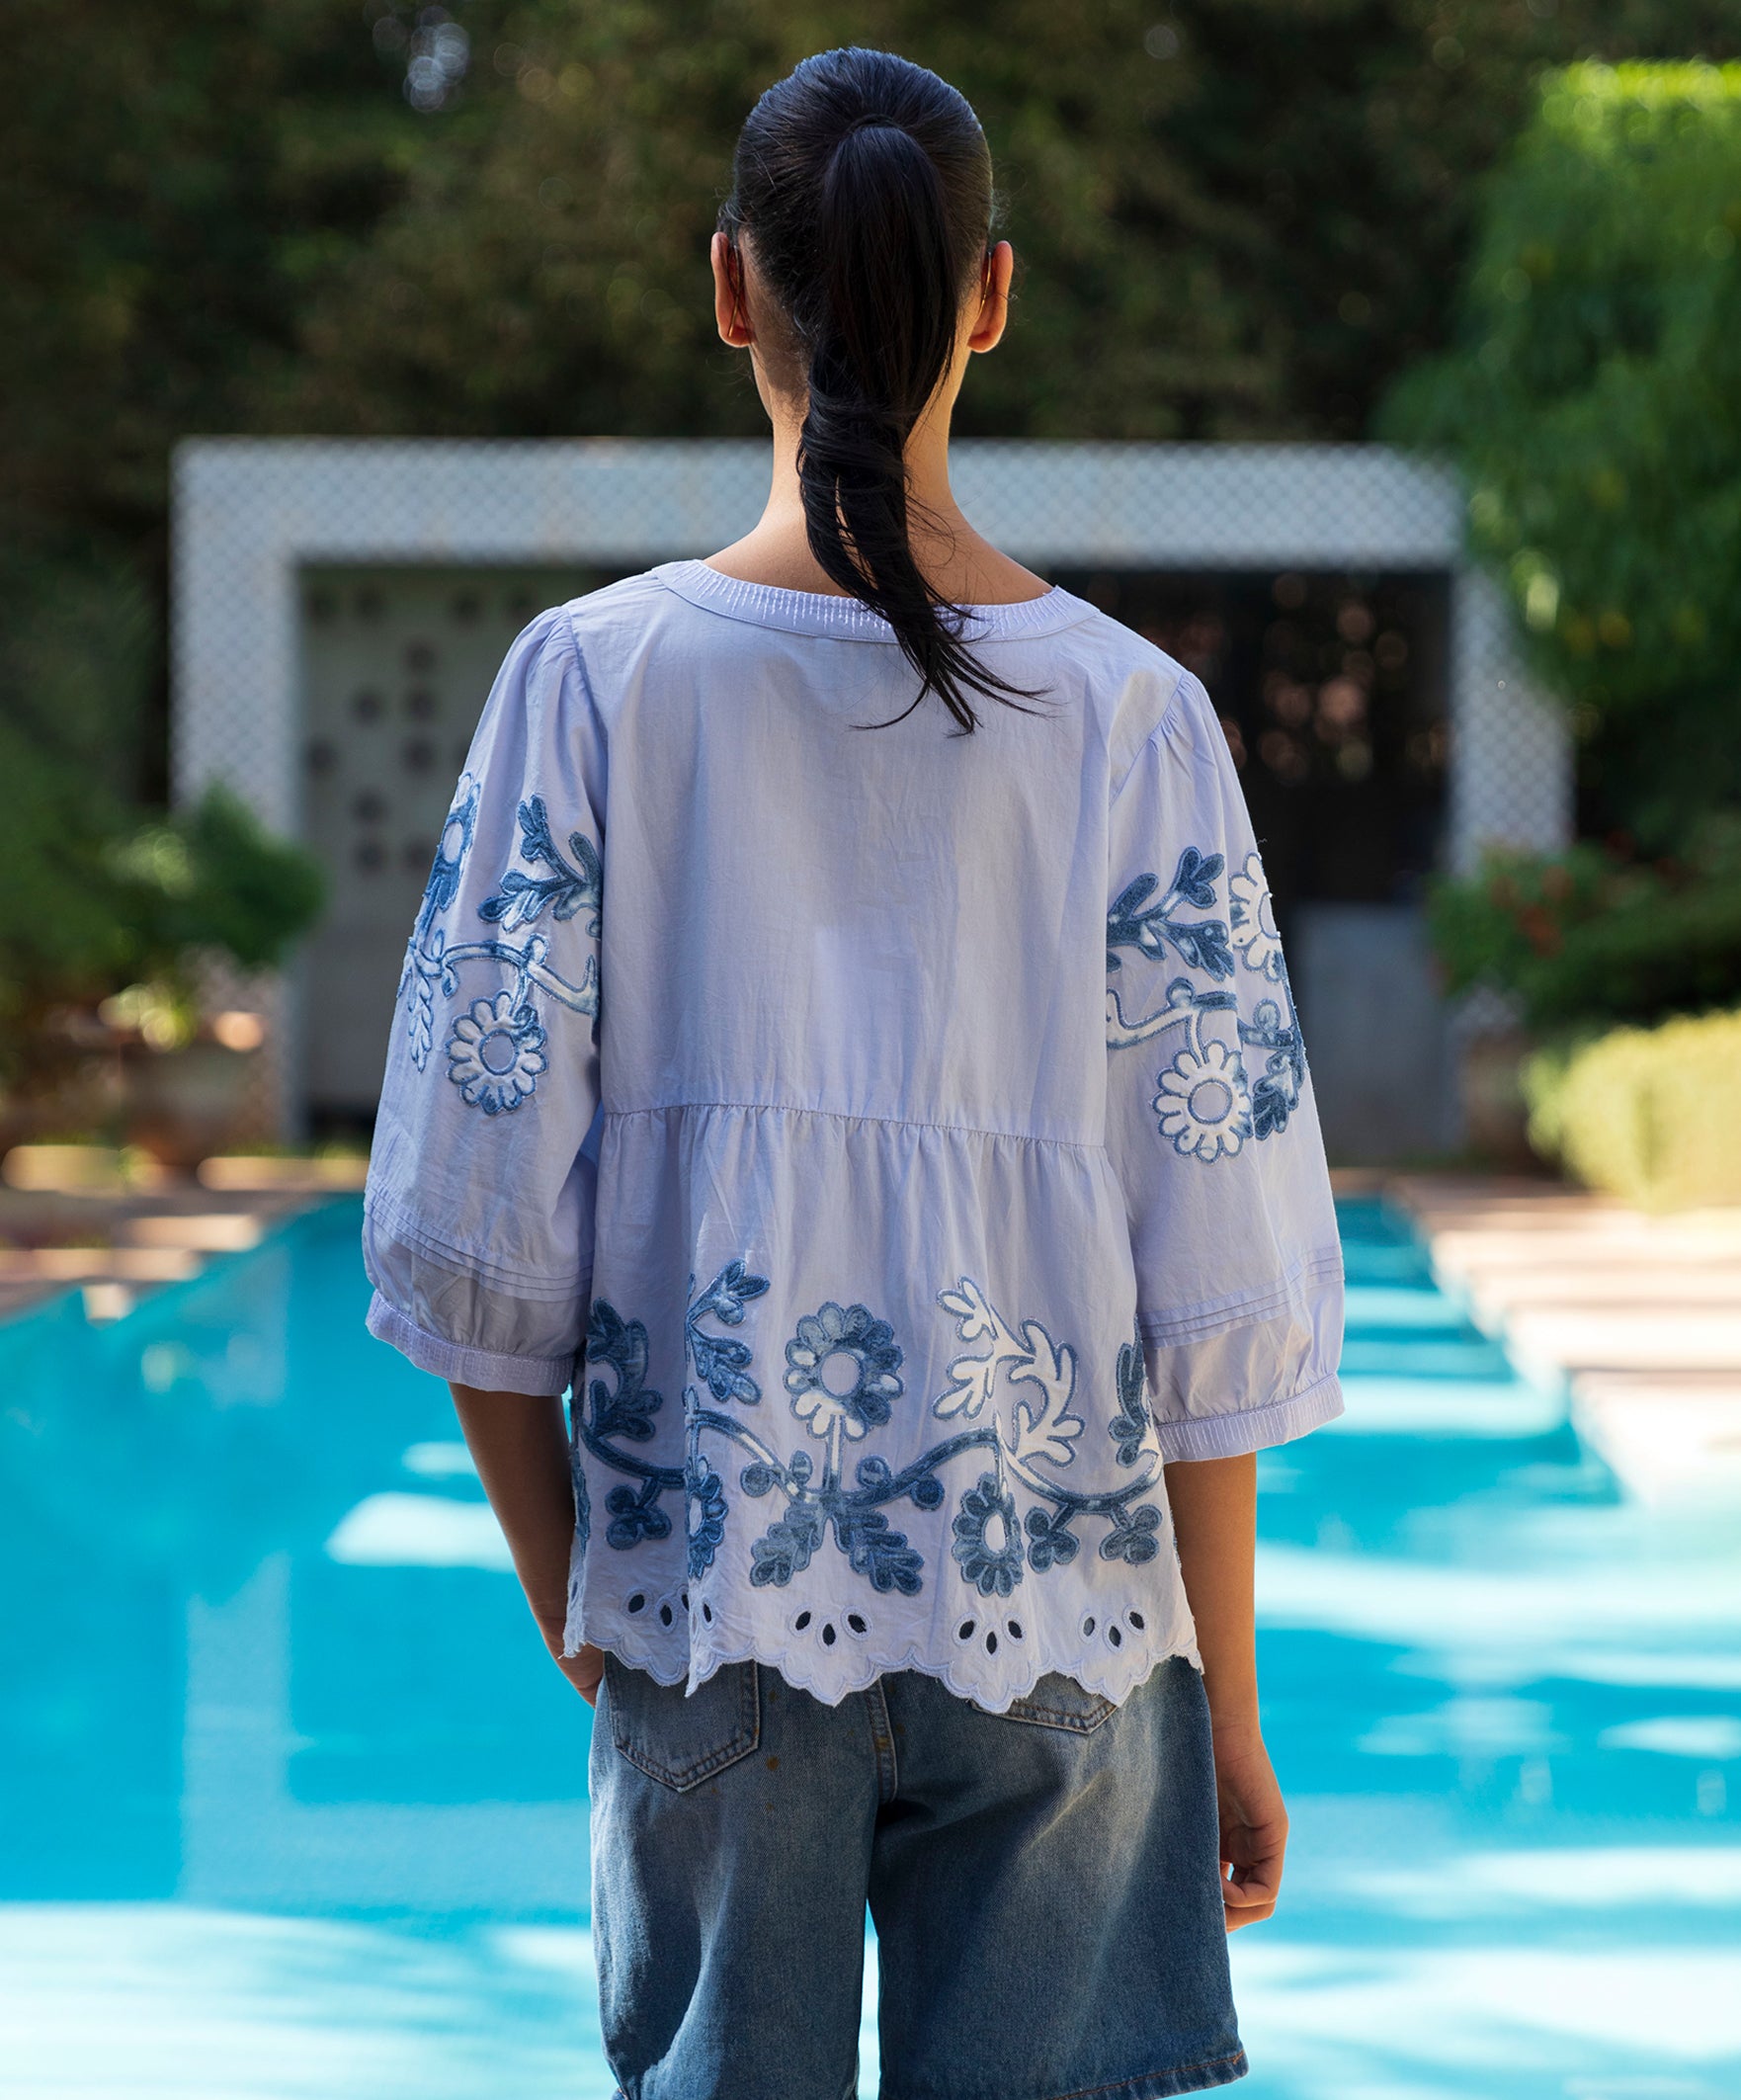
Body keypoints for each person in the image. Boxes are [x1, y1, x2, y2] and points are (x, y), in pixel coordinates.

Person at [361, 44, 1345, 2100]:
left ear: (729, 290)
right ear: (992, 294)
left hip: (709, 1607)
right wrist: (1229, 1706)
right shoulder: (1135, 722)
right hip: (1072, 1625)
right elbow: (1218, 1271)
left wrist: (588, 1605)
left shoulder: (591, 684)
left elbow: (471, 1224)